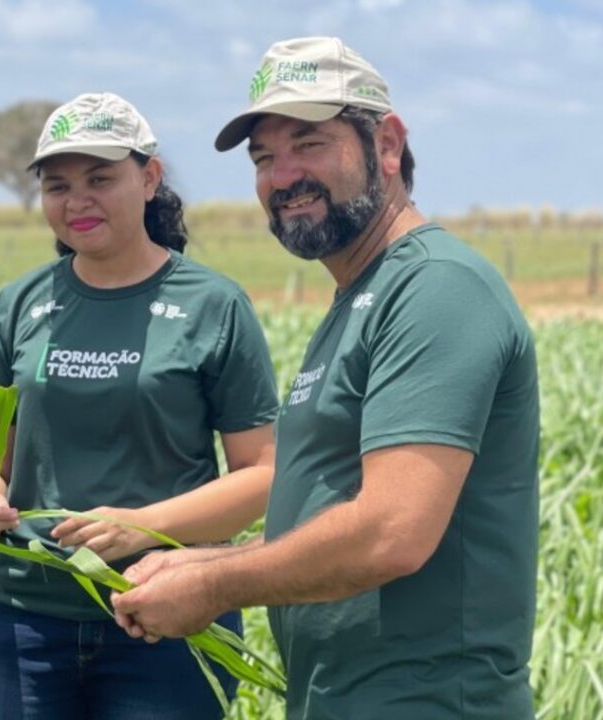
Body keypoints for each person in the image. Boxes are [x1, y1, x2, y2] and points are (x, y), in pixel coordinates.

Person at [112, 37, 540, 719]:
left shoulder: (437, 289)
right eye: (263, 158)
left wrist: (218, 584)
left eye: (308, 144)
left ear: (388, 146)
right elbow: (333, 515)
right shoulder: (360, 298)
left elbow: (391, 528)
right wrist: (203, 563)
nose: (283, 176)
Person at [0, 92, 280, 719]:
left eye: (101, 178)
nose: (77, 201)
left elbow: (263, 475)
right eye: (58, 185)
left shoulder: (213, 304)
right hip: (23, 623)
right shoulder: (20, 305)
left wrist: (142, 525)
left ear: (150, 178)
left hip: (161, 619)